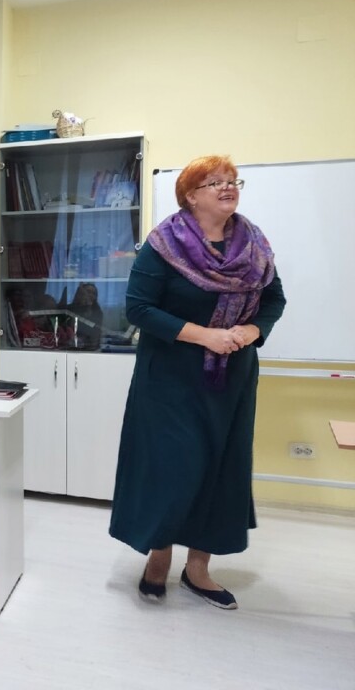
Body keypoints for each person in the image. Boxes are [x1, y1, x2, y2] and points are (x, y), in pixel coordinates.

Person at [109, 155, 286, 610]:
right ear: (190, 196)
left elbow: (274, 300)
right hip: (170, 378)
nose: (228, 187)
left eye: (233, 181)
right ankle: (159, 557)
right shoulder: (164, 244)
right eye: (215, 182)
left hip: (232, 379)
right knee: (172, 469)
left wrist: (252, 331)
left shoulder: (254, 243)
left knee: (219, 469)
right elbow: (139, 309)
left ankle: (198, 570)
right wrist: (206, 336)